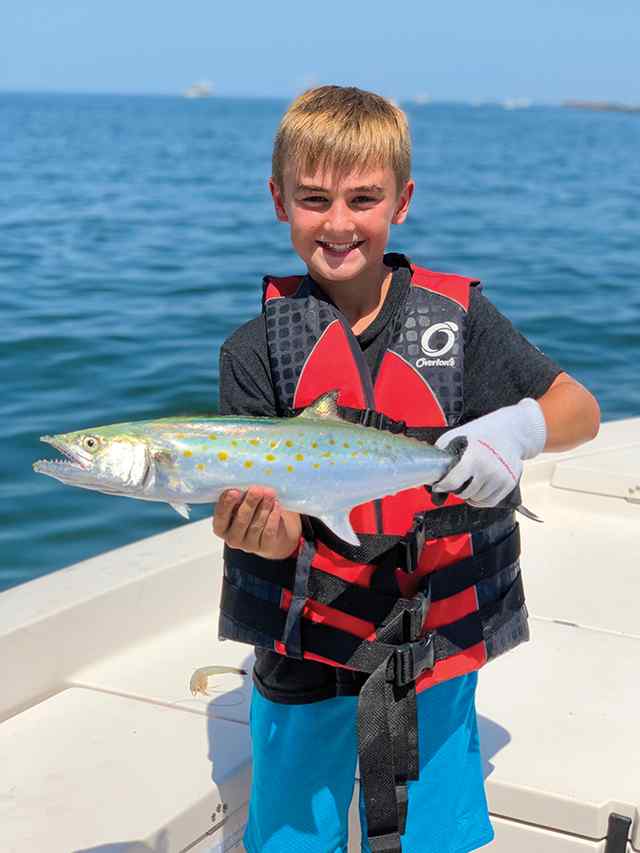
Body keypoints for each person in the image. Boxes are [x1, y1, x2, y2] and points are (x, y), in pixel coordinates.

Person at [212, 86, 600, 853]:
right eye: (314, 199)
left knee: (431, 837)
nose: (339, 222)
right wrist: (259, 533)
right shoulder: (252, 352)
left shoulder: (460, 323)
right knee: (293, 838)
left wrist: (516, 429)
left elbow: (579, 409)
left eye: (363, 198)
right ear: (279, 200)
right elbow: (279, 530)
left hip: (433, 634)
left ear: (403, 200)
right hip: (304, 644)